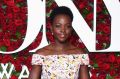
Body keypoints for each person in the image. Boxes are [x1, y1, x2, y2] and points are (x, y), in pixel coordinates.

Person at [29, 6, 90, 79]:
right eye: (58, 26)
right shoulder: (41, 55)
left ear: (71, 28)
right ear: (51, 28)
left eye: (67, 26)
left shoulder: (80, 54)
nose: (63, 30)